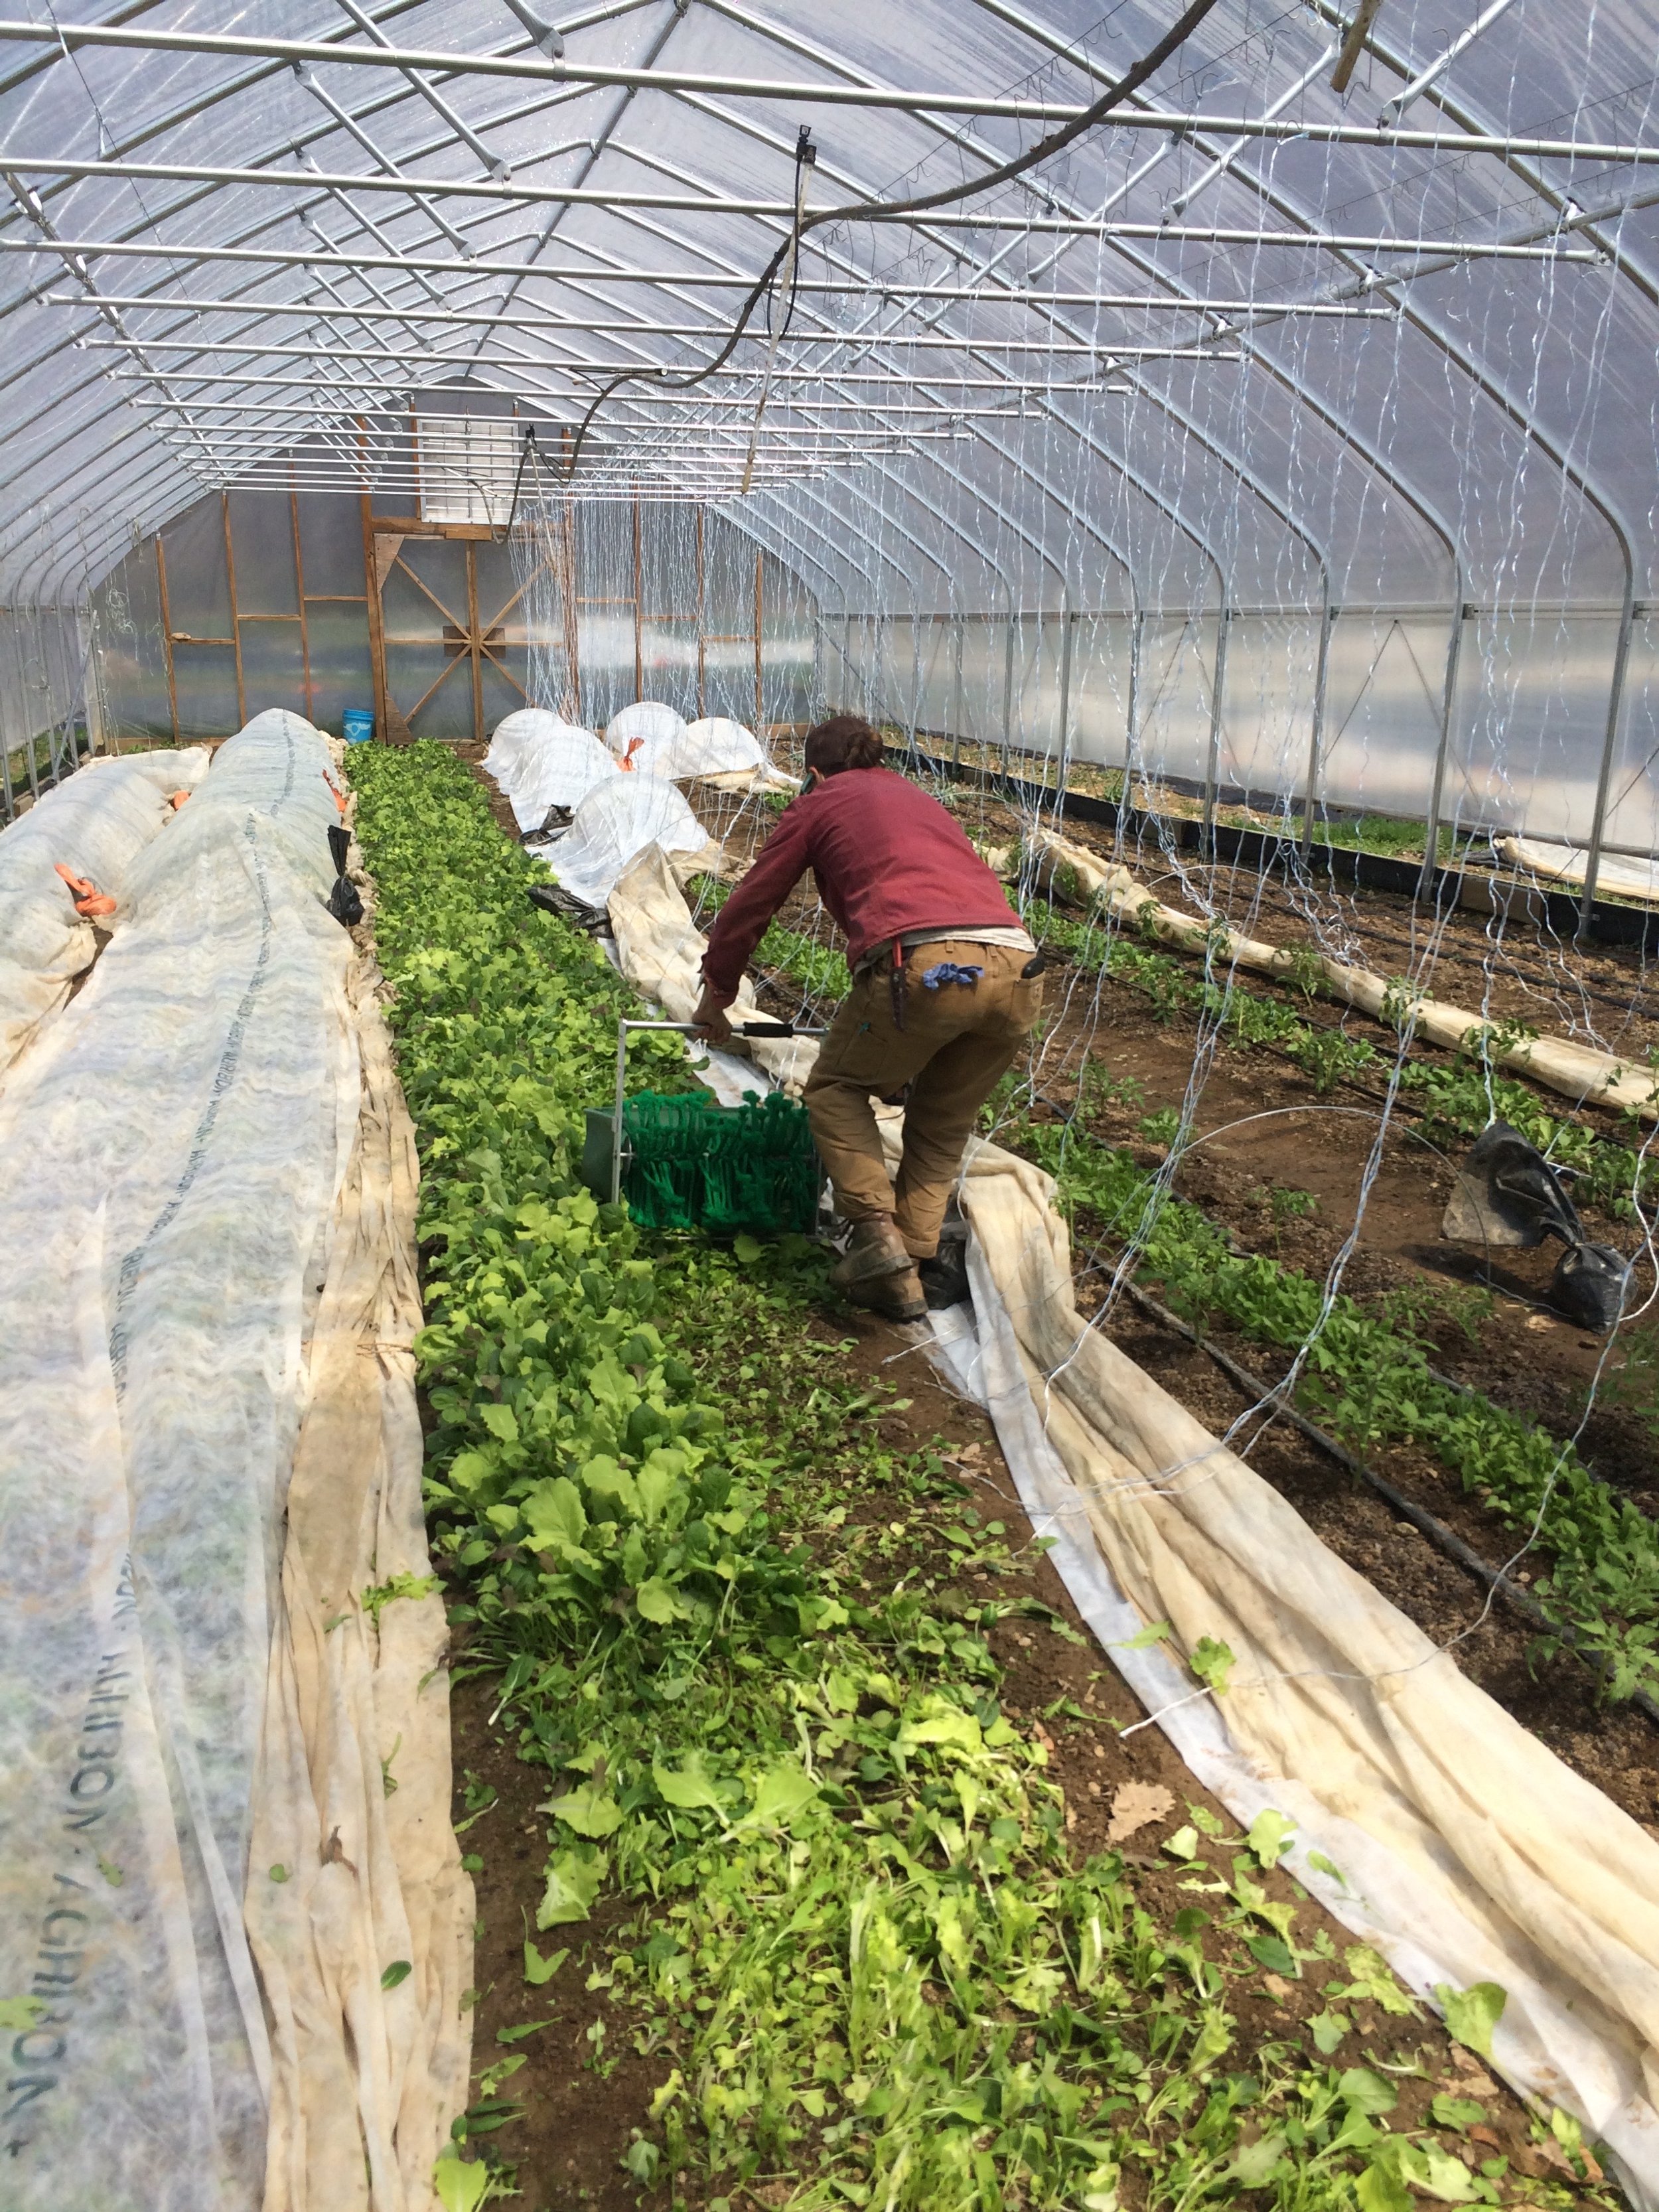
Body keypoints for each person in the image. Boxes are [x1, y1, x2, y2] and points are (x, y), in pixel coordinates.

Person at [691, 714, 1045, 1321]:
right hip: (1018, 966)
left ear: (812, 772)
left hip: (929, 964)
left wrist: (716, 994)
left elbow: (754, 899)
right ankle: (915, 1260)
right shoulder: (916, 797)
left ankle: (876, 1234)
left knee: (834, 1088)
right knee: (942, 1118)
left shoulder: (819, 802)